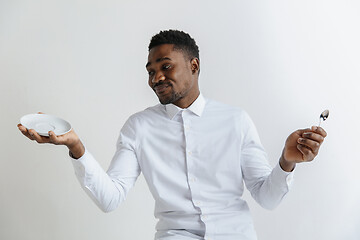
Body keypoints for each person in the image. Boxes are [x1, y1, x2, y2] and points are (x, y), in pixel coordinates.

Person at [18, 29, 327, 240]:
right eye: (151, 71)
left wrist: (287, 161)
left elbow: (267, 198)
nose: (156, 77)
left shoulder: (236, 121)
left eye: (165, 66)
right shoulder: (138, 127)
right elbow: (110, 198)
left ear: (194, 66)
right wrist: (76, 146)